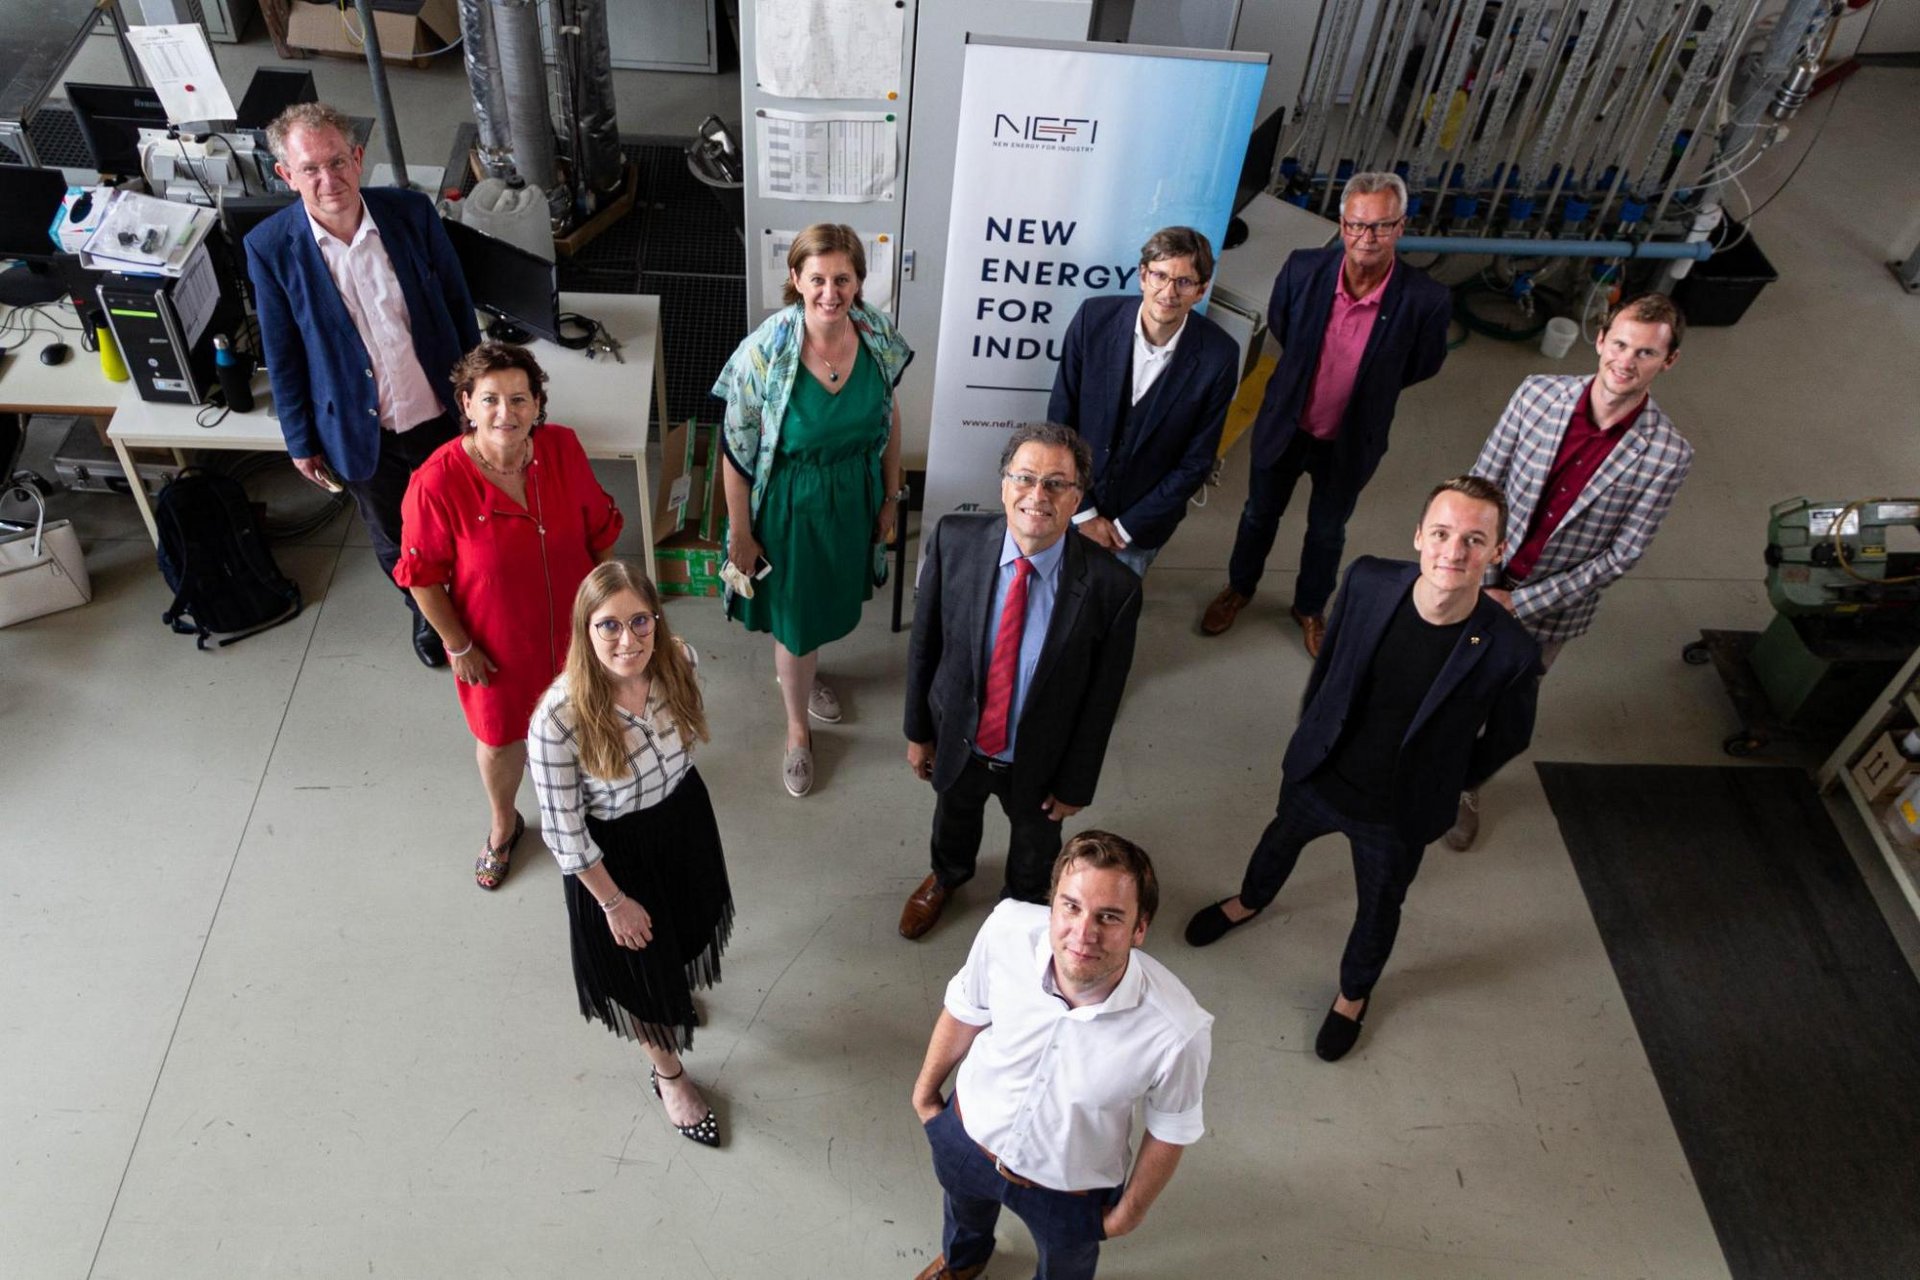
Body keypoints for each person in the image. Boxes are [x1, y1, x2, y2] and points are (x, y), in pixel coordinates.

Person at [1185, 477, 1540, 1061]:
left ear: (1497, 553)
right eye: (1443, 533)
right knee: (1278, 840)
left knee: (1379, 905)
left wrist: (1449, 780)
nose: (1454, 552)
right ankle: (1248, 901)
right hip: (1322, 772)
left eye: (1475, 540)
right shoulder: (1369, 580)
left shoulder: (1510, 651)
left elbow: (1510, 737)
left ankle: (1353, 993)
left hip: (1397, 811)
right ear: (1419, 534)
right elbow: (1329, 672)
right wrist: (1312, 733)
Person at [1448, 292, 1692, 850]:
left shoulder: (1668, 454)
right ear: (1601, 338)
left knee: (1505, 708)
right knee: (1439, 676)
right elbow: (1483, 481)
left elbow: (1623, 554)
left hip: (1549, 611)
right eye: (1621, 344)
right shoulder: (1537, 394)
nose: (1626, 362)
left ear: (1668, 361)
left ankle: (1465, 784)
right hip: (1478, 576)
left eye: (1647, 353)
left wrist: (1522, 604)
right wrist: (1476, 568)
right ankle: (1418, 761)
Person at [910, 832, 1212, 1280]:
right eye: (1070, 906)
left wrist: (1128, 1213)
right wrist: (926, 1097)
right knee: (962, 1216)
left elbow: (1171, 1126)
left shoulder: (1178, 1029)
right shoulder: (1006, 928)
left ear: (1140, 928)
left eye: (1109, 917)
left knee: (1064, 1270)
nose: (1082, 934)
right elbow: (966, 1006)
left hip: (1070, 1191)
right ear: (1052, 904)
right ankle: (963, 1262)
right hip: (967, 1136)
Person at [247, 102, 482, 668]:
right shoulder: (270, 247)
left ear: (357, 158)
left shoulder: (409, 215)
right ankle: (429, 618)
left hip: (439, 413)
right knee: (396, 536)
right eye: (309, 169)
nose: (327, 181)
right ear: (286, 175)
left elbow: (457, 305)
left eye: (337, 162)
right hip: (360, 429)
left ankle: (476, 603)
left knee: (465, 520)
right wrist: (301, 440)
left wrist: (478, 396)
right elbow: (282, 353)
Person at [395, 342, 624, 889]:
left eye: (520, 398)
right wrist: (458, 646)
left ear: (538, 403)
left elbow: (599, 533)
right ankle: (504, 824)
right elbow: (423, 577)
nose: (506, 413)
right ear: (467, 405)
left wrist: (611, 617)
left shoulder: (562, 448)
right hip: (495, 646)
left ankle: (592, 807)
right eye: (491, 399)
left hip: (578, 633)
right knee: (500, 740)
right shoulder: (436, 482)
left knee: (589, 718)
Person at [899, 423, 1141, 940]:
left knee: (1035, 847)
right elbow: (926, 647)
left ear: (1078, 497)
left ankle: (1022, 912)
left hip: (1041, 761)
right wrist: (919, 731)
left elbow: (1103, 699)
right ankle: (947, 876)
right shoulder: (953, 540)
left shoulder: (1111, 588)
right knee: (953, 818)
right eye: (1025, 478)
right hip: (959, 738)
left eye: (1057, 483)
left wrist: (1077, 782)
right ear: (1003, 484)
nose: (1038, 496)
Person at [1199, 172, 1450, 655]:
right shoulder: (1302, 270)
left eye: (1380, 226)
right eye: (1356, 225)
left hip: (1351, 438)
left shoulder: (1426, 300)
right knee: (1257, 515)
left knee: (1328, 529)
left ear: (1401, 227)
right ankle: (1239, 589)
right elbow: (1287, 330)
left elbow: (1422, 365)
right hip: (1287, 425)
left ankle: (1310, 607)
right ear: (1342, 224)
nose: (1366, 238)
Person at [527, 561, 734, 1147]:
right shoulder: (557, 720)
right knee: (639, 972)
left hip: (680, 819)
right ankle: (668, 1075)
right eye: (608, 626)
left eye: (640, 621)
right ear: (584, 632)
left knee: (684, 928)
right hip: (612, 854)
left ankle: (672, 990)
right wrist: (614, 903)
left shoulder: (679, 661)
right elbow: (564, 833)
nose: (629, 640)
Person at [713, 223, 912, 798]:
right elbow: (735, 449)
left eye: (843, 278)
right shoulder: (765, 352)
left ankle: (803, 673)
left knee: (820, 607)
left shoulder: (875, 335)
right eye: (818, 278)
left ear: (859, 282)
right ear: (796, 279)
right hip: (790, 508)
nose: (831, 291)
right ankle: (797, 730)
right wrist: (741, 536)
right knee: (796, 623)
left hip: (852, 498)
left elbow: (889, 417)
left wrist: (891, 495)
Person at [1046, 226, 1241, 576]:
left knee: (1111, 619)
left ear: (1201, 289)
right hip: (1073, 508)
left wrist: (1122, 529)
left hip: (1139, 531)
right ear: (1141, 276)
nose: (1168, 292)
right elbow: (1061, 422)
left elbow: (1195, 462)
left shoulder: (1219, 356)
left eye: (1183, 281)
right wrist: (1085, 513)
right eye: (1160, 276)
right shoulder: (1093, 320)